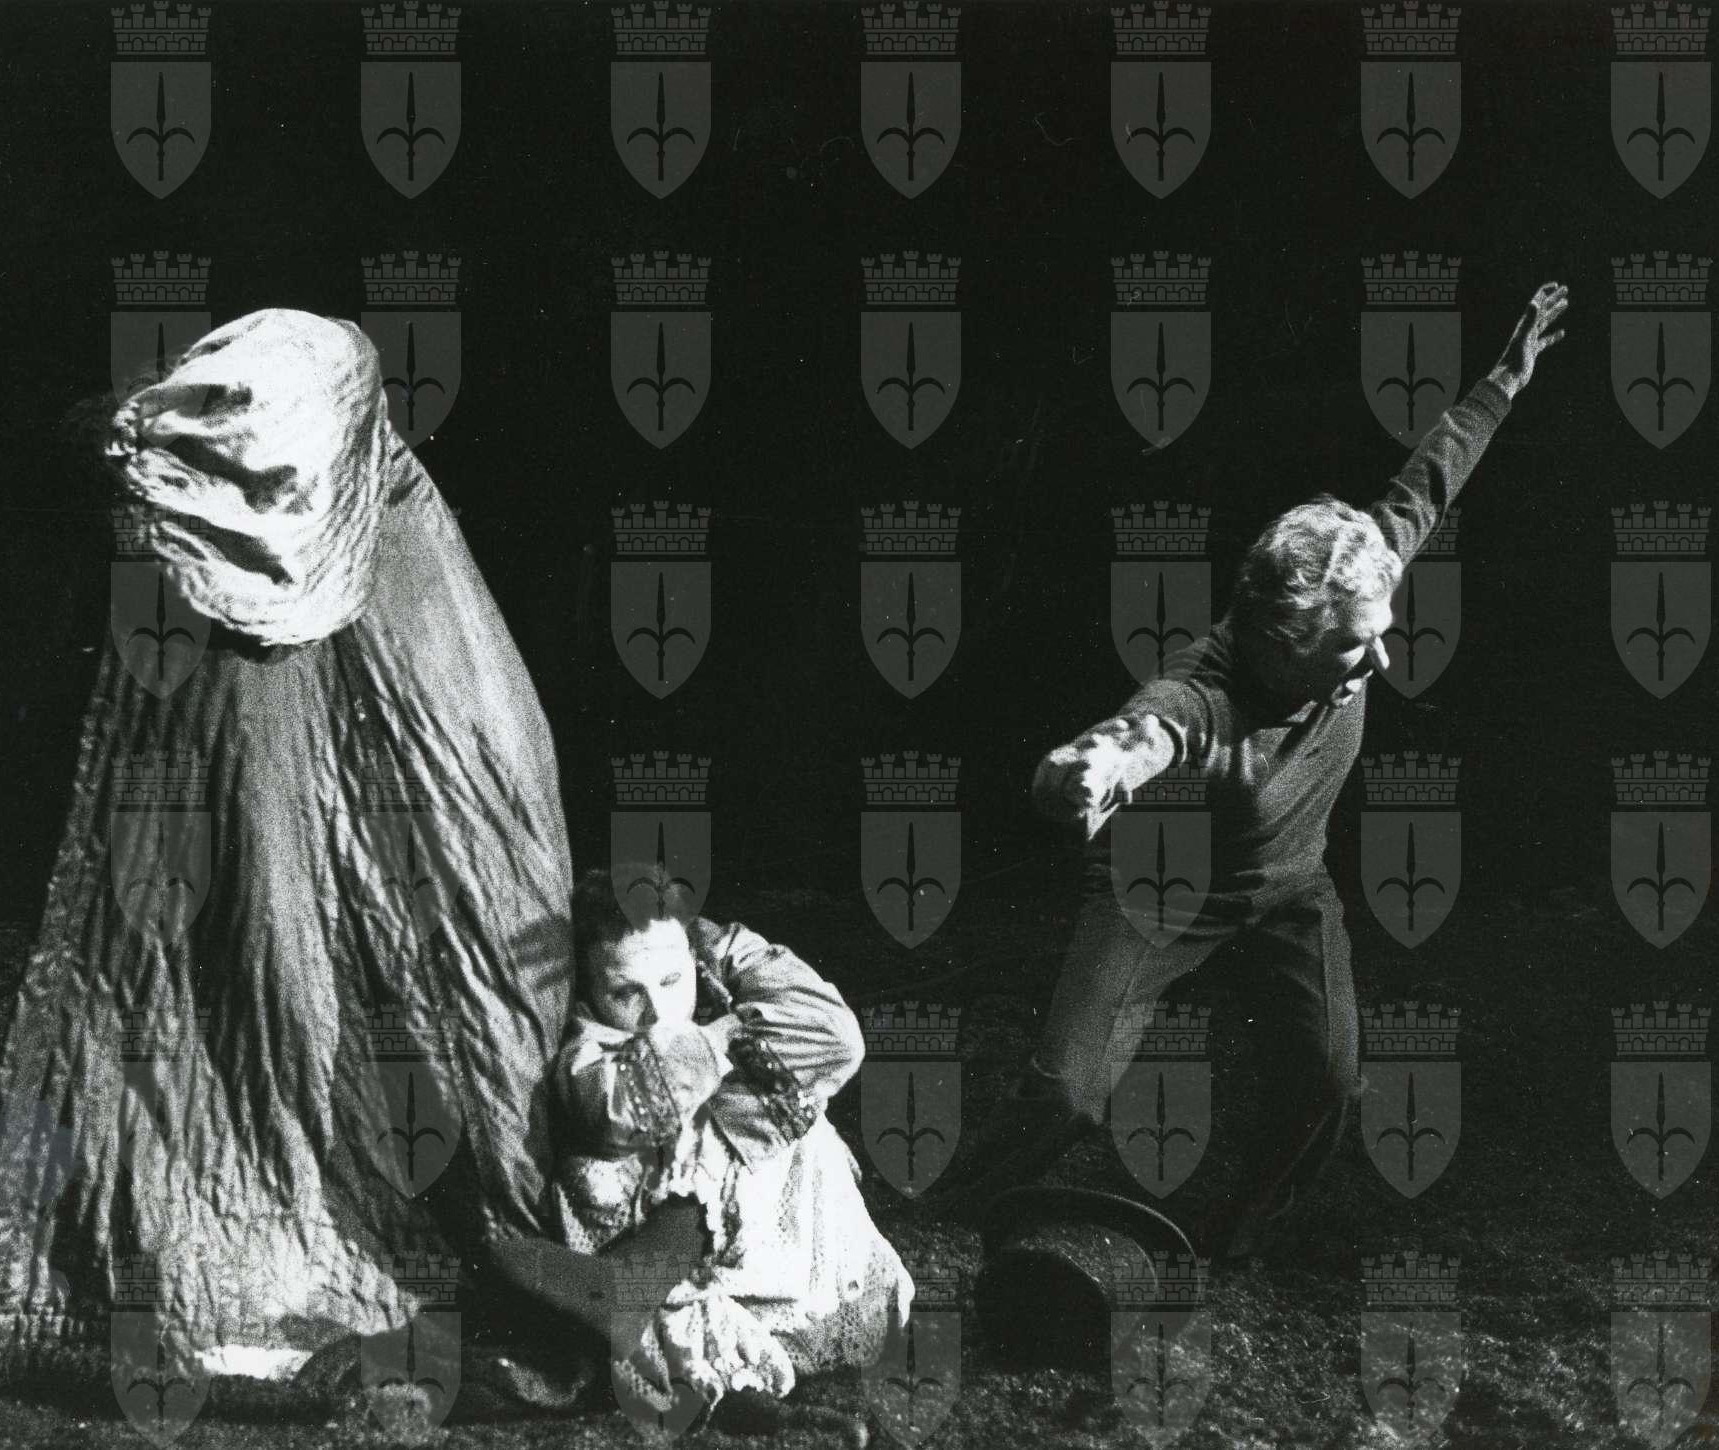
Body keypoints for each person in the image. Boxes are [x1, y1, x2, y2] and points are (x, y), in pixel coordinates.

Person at [0, 309, 580, 1389]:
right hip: (251, 805)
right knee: (255, 967)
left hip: (405, 798)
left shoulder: (388, 516)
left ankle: (472, 1217)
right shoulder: (203, 573)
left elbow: (483, 815)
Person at [928, 282, 1570, 1259]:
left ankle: (1231, 1239)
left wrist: (1505, 377)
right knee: (1069, 1095)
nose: (1380, 659)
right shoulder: (1210, 691)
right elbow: (1148, 730)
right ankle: (949, 1219)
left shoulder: (1358, 581)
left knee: (1325, 1079)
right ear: (1280, 642)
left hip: (1287, 892)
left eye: (1380, 630)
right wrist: (1087, 768)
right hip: (1158, 896)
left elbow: (1429, 480)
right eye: (1354, 646)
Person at [545, 865, 912, 1432]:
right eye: (625, 992)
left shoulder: (709, 972)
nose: (658, 1012)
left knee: (782, 1099)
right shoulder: (590, 1048)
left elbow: (836, 1038)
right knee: (650, 1150)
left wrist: (725, 950)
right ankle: (738, 1391)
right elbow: (614, 1111)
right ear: (589, 993)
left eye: (671, 981)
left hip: (780, 1246)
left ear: (694, 958)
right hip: (692, 1269)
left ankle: (644, 1300)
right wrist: (712, 1045)